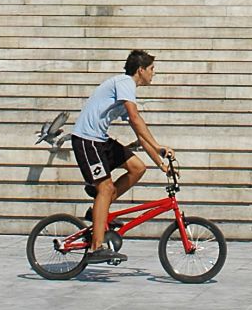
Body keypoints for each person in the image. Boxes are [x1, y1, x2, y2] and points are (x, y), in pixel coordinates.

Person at [70, 49, 174, 263]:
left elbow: (139, 134)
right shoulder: (125, 83)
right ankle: (96, 248)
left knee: (138, 168)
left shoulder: (127, 89)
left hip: (100, 140)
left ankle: (99, 209)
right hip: (86, 140)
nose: (154, 74)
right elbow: (136, 119)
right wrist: (158, 145)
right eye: (152, 69)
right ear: (140, 70)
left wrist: (160, 162)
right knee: (106, 188)